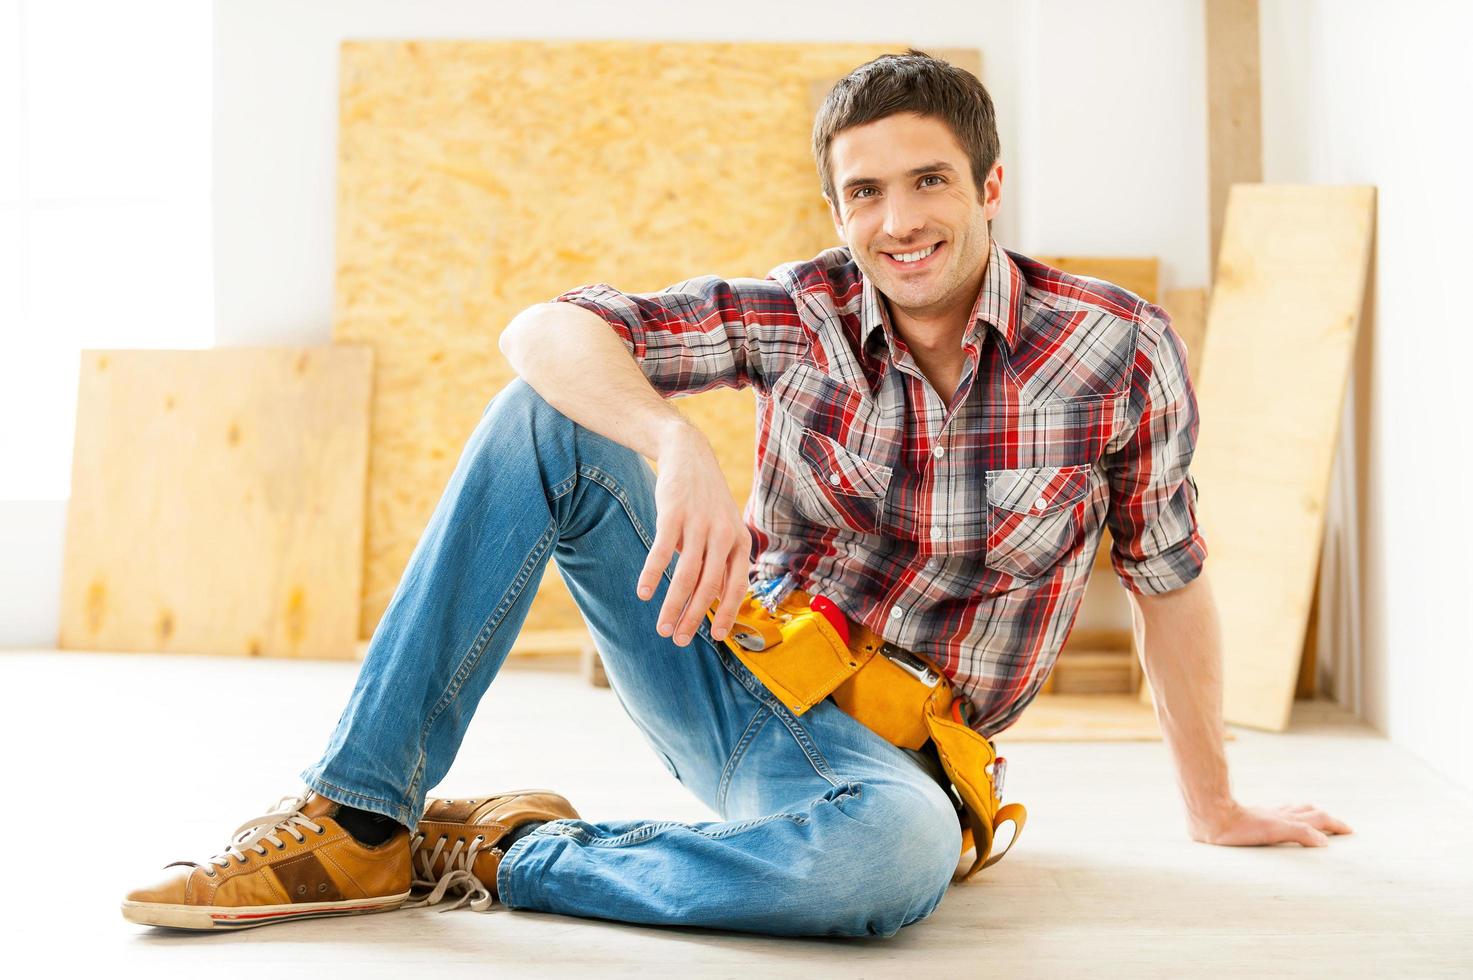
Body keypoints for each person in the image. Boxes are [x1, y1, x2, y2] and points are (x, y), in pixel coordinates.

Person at [121, 49, 1353, 938]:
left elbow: (1167, 573)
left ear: (988, 189)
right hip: (725, 668)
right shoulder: (803, 306)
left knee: (882, 861)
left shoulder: (1114, 349)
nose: (897, 220)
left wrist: (1216, 803)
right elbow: (542, 330)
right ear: (836, 209)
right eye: (864, 192)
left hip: (893, 763)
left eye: (928, 182)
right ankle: (362, 817)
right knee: (539, 416)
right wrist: (670, 443)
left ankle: (504, 848)